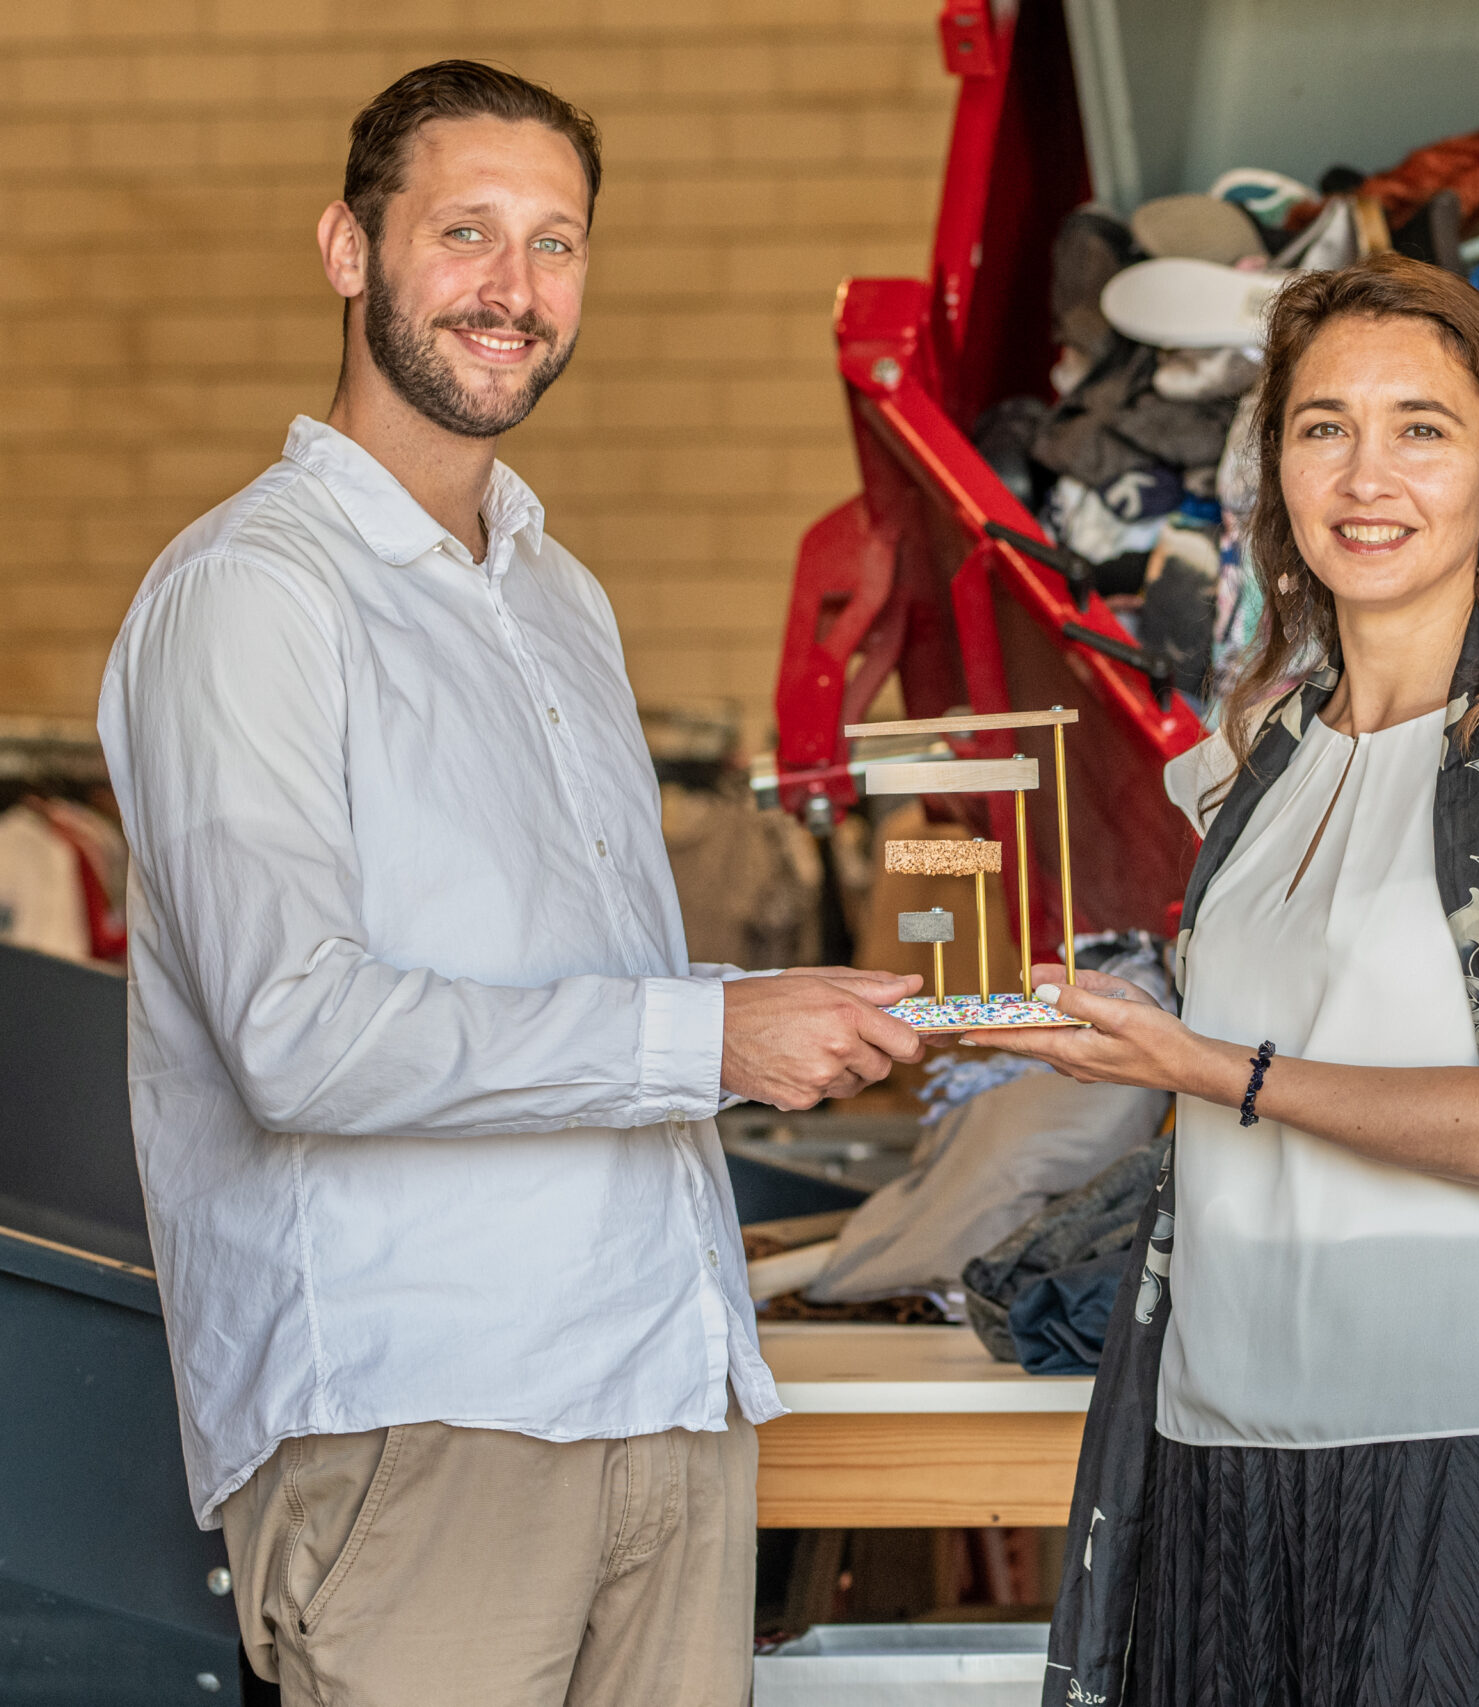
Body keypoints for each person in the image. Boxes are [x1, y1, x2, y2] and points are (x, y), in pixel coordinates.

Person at [96, 62, 923, 1706]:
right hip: (426, 1424)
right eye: (464, 232)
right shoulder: (252, 596)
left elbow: (572, 982)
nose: (514, 290)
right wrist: (710, 1041)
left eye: (556, 245)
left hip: (661, 1402)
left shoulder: (558, 597)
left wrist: (793, 1020)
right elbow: (300, 1036)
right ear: (348, 250)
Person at [984, 254, 1479, 1706]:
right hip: (1213, 1440)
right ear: (1275, 467)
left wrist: (1203, 1066)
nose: (1365, 475)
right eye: (1323, 427)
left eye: (1422, 428)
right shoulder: (1258, 743)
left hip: (1468, 1444)